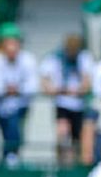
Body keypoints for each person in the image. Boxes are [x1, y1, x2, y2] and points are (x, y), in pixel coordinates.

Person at [0, 24, 38, 168]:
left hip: (21, 104)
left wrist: (15, 90)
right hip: (0, 105)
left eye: (15, 42)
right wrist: (8, 90)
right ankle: (8, 157)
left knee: (14, 128)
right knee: (6, 132)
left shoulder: (28, 59)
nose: (12, 47)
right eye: (8, 43)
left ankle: (11, 157)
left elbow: (32, 86)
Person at [40, 34, 94, 165]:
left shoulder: (84, 58)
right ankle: (60, 161)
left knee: (78, 138)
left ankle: (76, 162)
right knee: (62, 133)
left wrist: (79, 89)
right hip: (62, 104)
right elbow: (45, 81)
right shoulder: (55, 58)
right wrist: (57, 90)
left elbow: (87, 83)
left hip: (79, 105)